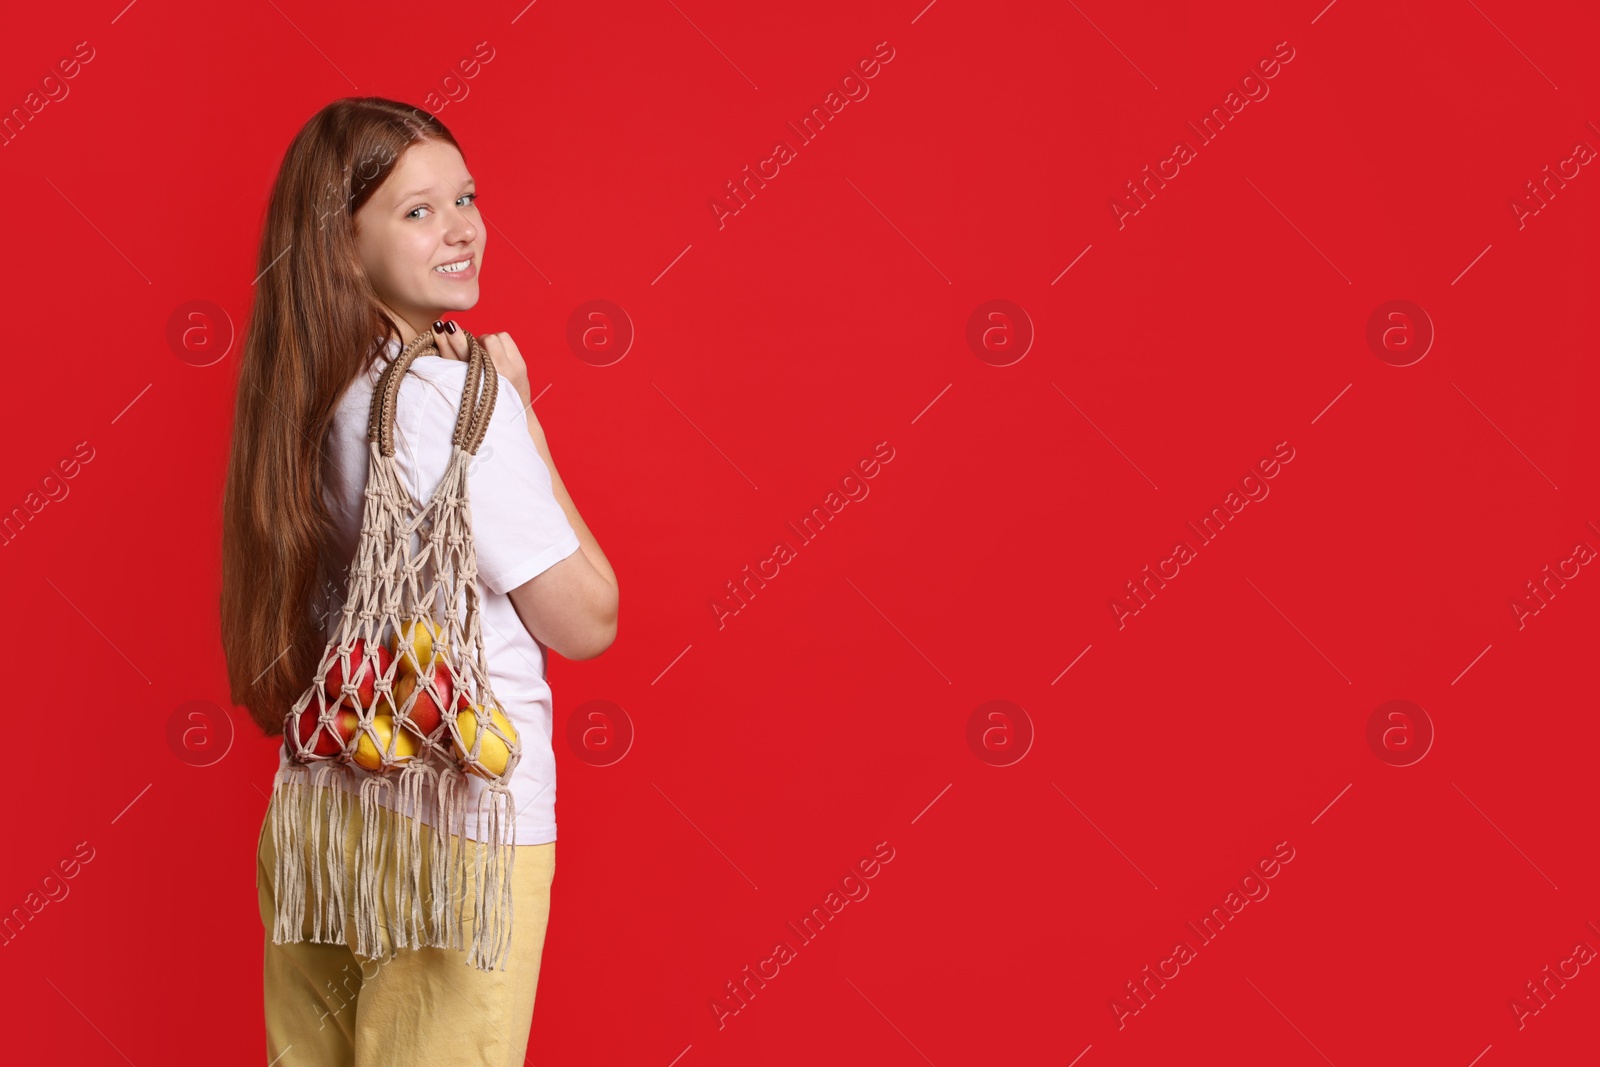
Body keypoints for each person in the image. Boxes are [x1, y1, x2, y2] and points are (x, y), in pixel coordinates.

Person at [219, 96, 619, 1065]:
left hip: (323, 815)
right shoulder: (446, 395)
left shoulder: (300, 392)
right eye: (418, 210)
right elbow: (586, 616)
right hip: (454, 825)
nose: (462, 228)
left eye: (466, 197)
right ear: (341, 245)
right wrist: (519, 412)